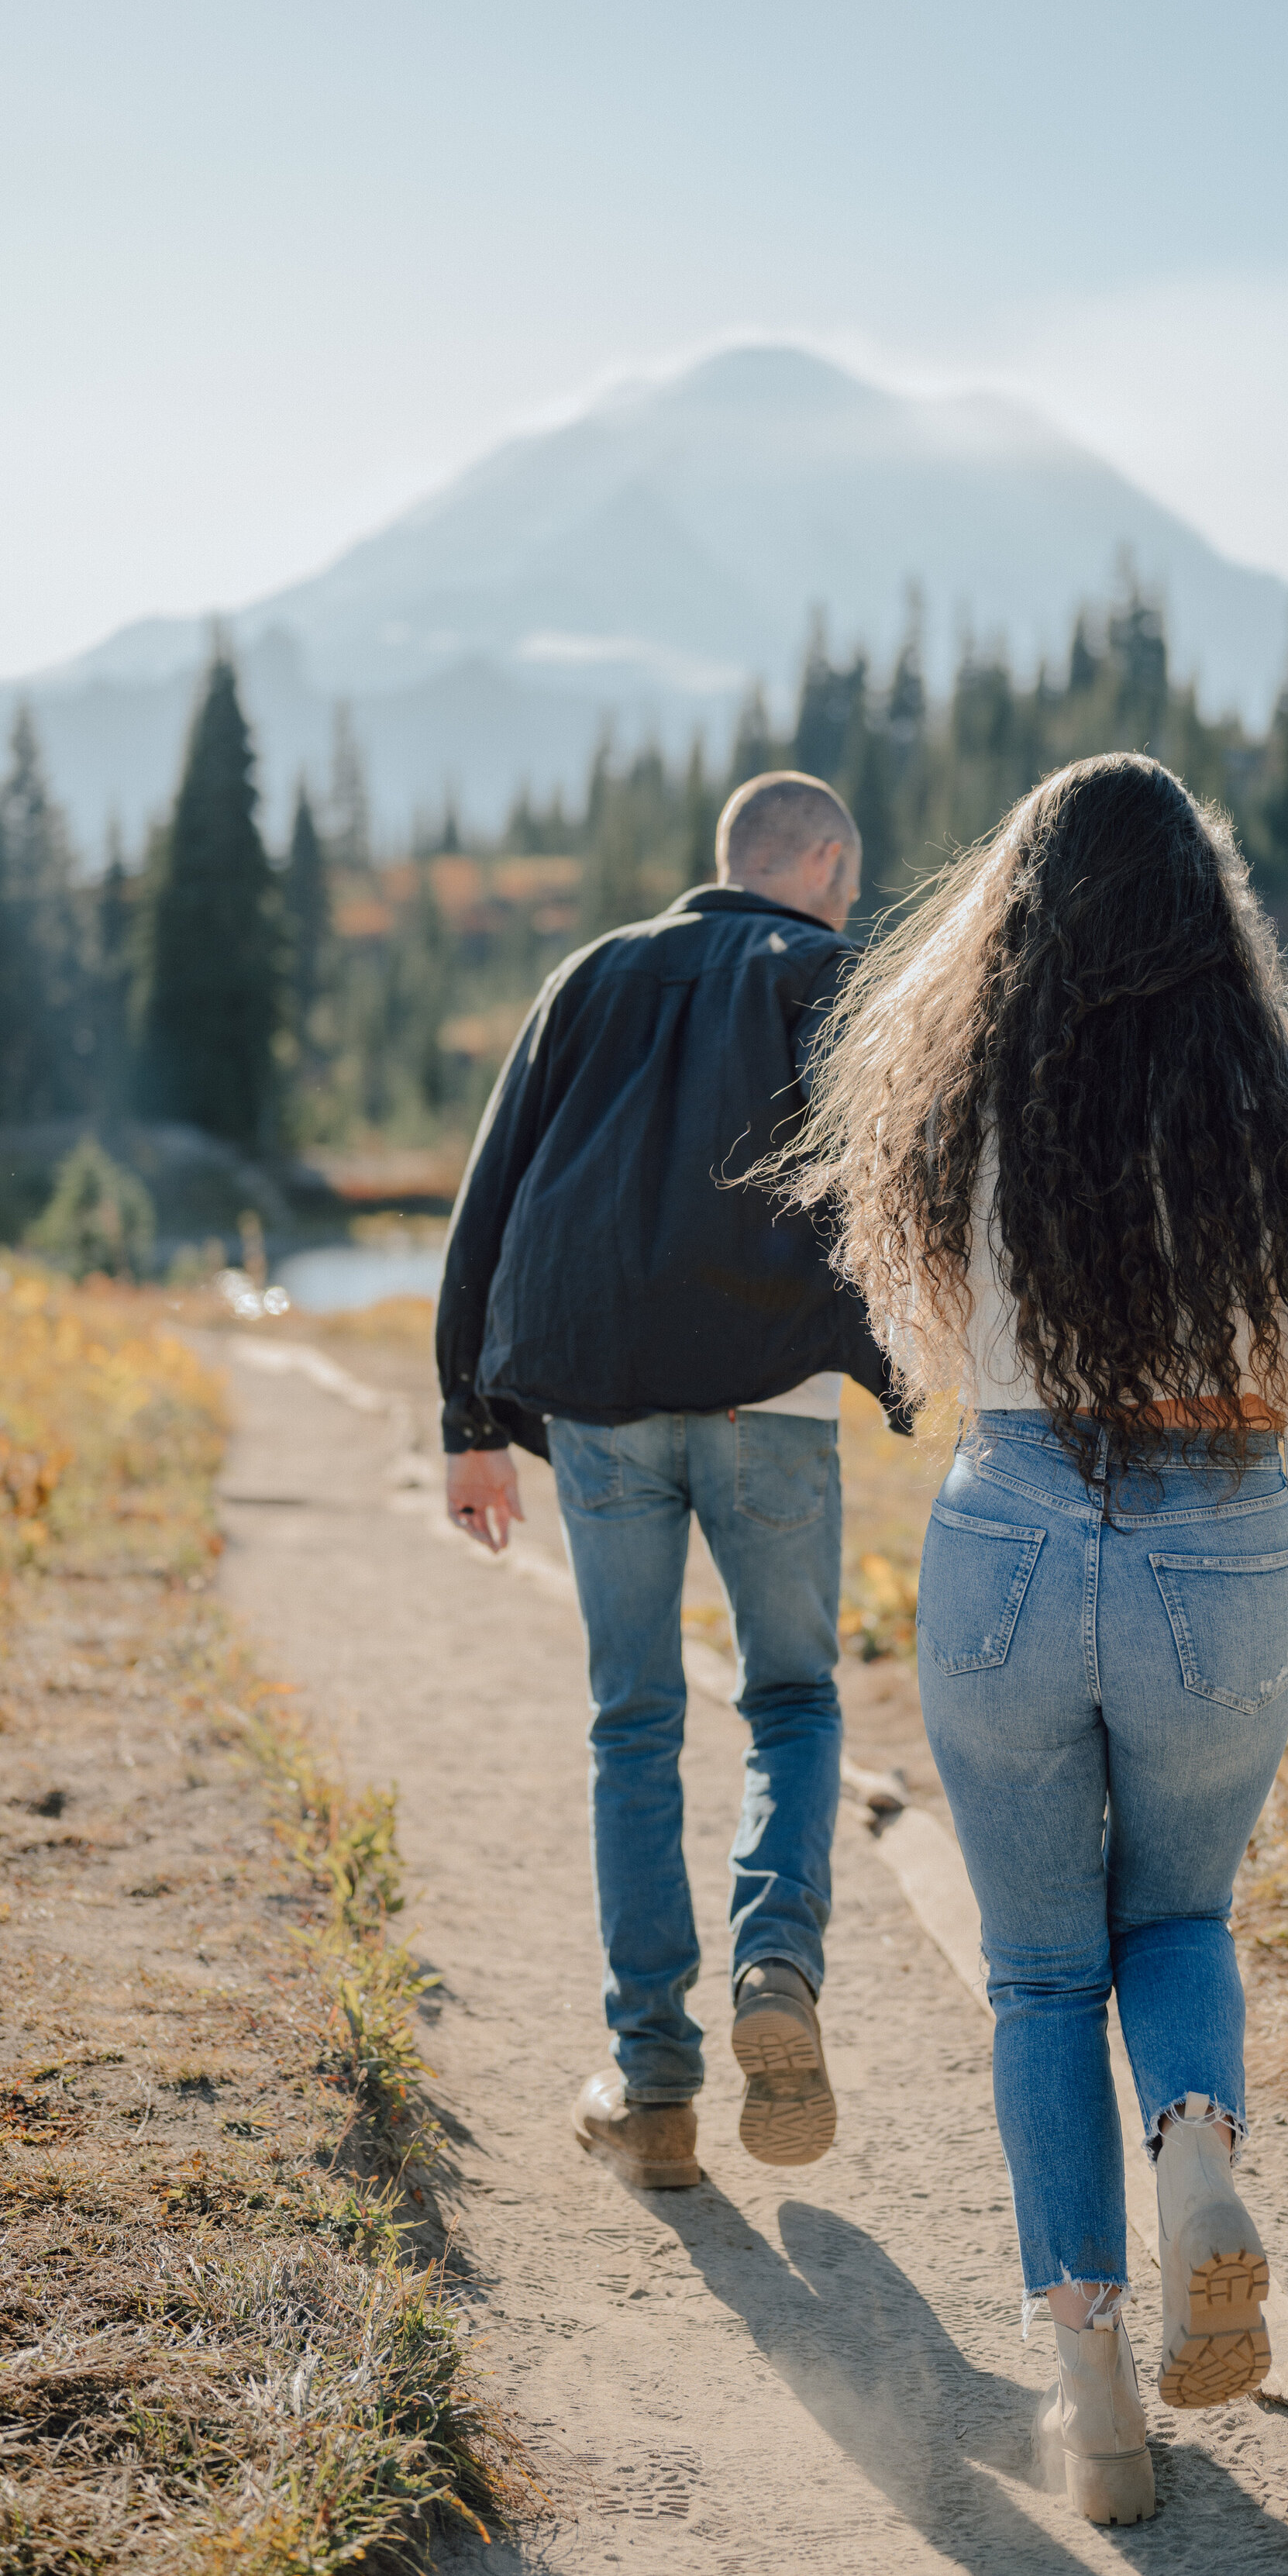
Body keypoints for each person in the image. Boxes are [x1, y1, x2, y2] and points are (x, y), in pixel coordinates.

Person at [774, 753, 1288, 2526]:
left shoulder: (955, 1090)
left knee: (1042, 1974)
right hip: (1225, 1541)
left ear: (1014, 912)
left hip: (1011, 1534)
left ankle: (1096, 2397)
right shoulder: (1287, 1097)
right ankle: (1198, 2157)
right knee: (1180, 1915)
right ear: (1214, 904)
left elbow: (935, 1348)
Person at [436, 770, 906, 2190]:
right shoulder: (834, 973)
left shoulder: (596, 972)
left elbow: (495, 1184)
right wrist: (922, 1377)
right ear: (821, 858)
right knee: (791, 1701)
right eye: (850, 872)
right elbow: (900, 1181)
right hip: (774, 1401)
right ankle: (779, 1964)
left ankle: (652, 2088)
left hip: (598, 1403)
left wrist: (467, 1414)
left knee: (631, 1722)